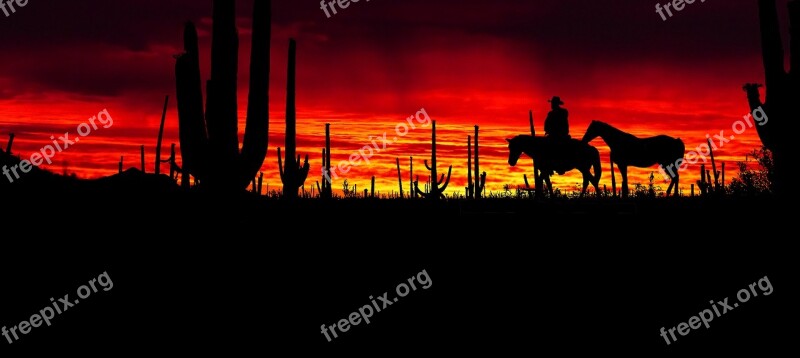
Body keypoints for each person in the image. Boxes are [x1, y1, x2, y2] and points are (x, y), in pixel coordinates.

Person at [543, 96, 571, 175]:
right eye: (551, 103)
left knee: (557, 148)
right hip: (552, 134)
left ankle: (560, 166)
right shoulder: (551, 113)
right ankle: (549, 166)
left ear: (556, 104)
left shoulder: (563, 112)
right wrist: (547, 130)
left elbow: (560, 123)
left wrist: (552, 129)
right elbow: (546, 124)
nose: (551, 105)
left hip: (561, 135)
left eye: (553, 103)